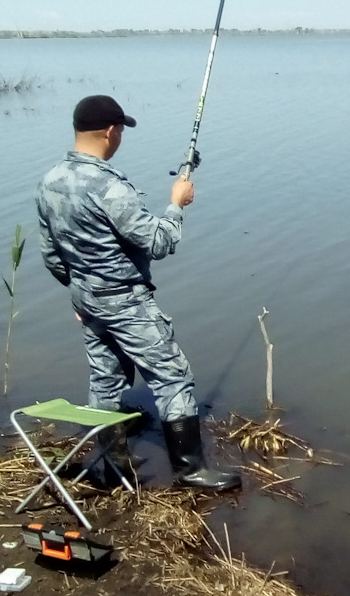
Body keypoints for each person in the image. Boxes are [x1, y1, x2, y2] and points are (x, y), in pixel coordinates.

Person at [36, 93, 240, 492]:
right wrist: (177, 205)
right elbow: (158, 243)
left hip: (87, 298)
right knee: (173, 376)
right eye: (120, 130)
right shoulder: (110, 187)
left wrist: (81, 294)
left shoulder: (49, 181)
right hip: (125, 300)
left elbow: (51, 254)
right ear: (111, 131)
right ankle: (190, 470)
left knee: (106, 379)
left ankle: (112, 465)